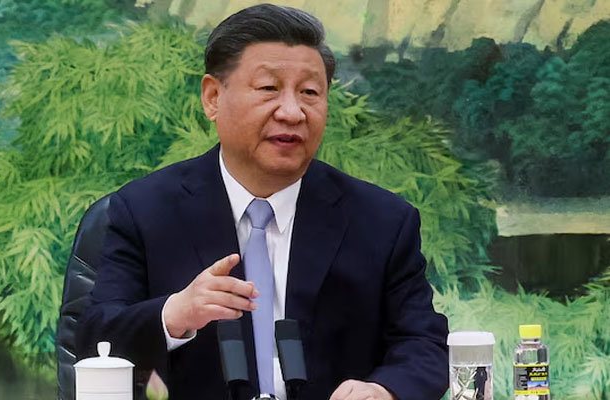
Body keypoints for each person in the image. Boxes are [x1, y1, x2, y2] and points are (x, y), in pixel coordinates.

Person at [76, 4, 448, 400]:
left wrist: (384, 391)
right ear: (213, 97)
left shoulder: (382, 221)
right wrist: (175, 314)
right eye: (269, 88)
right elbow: (97, 337)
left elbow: (423, 344)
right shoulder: (146, 210)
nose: (292, 112)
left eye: (310, 93)